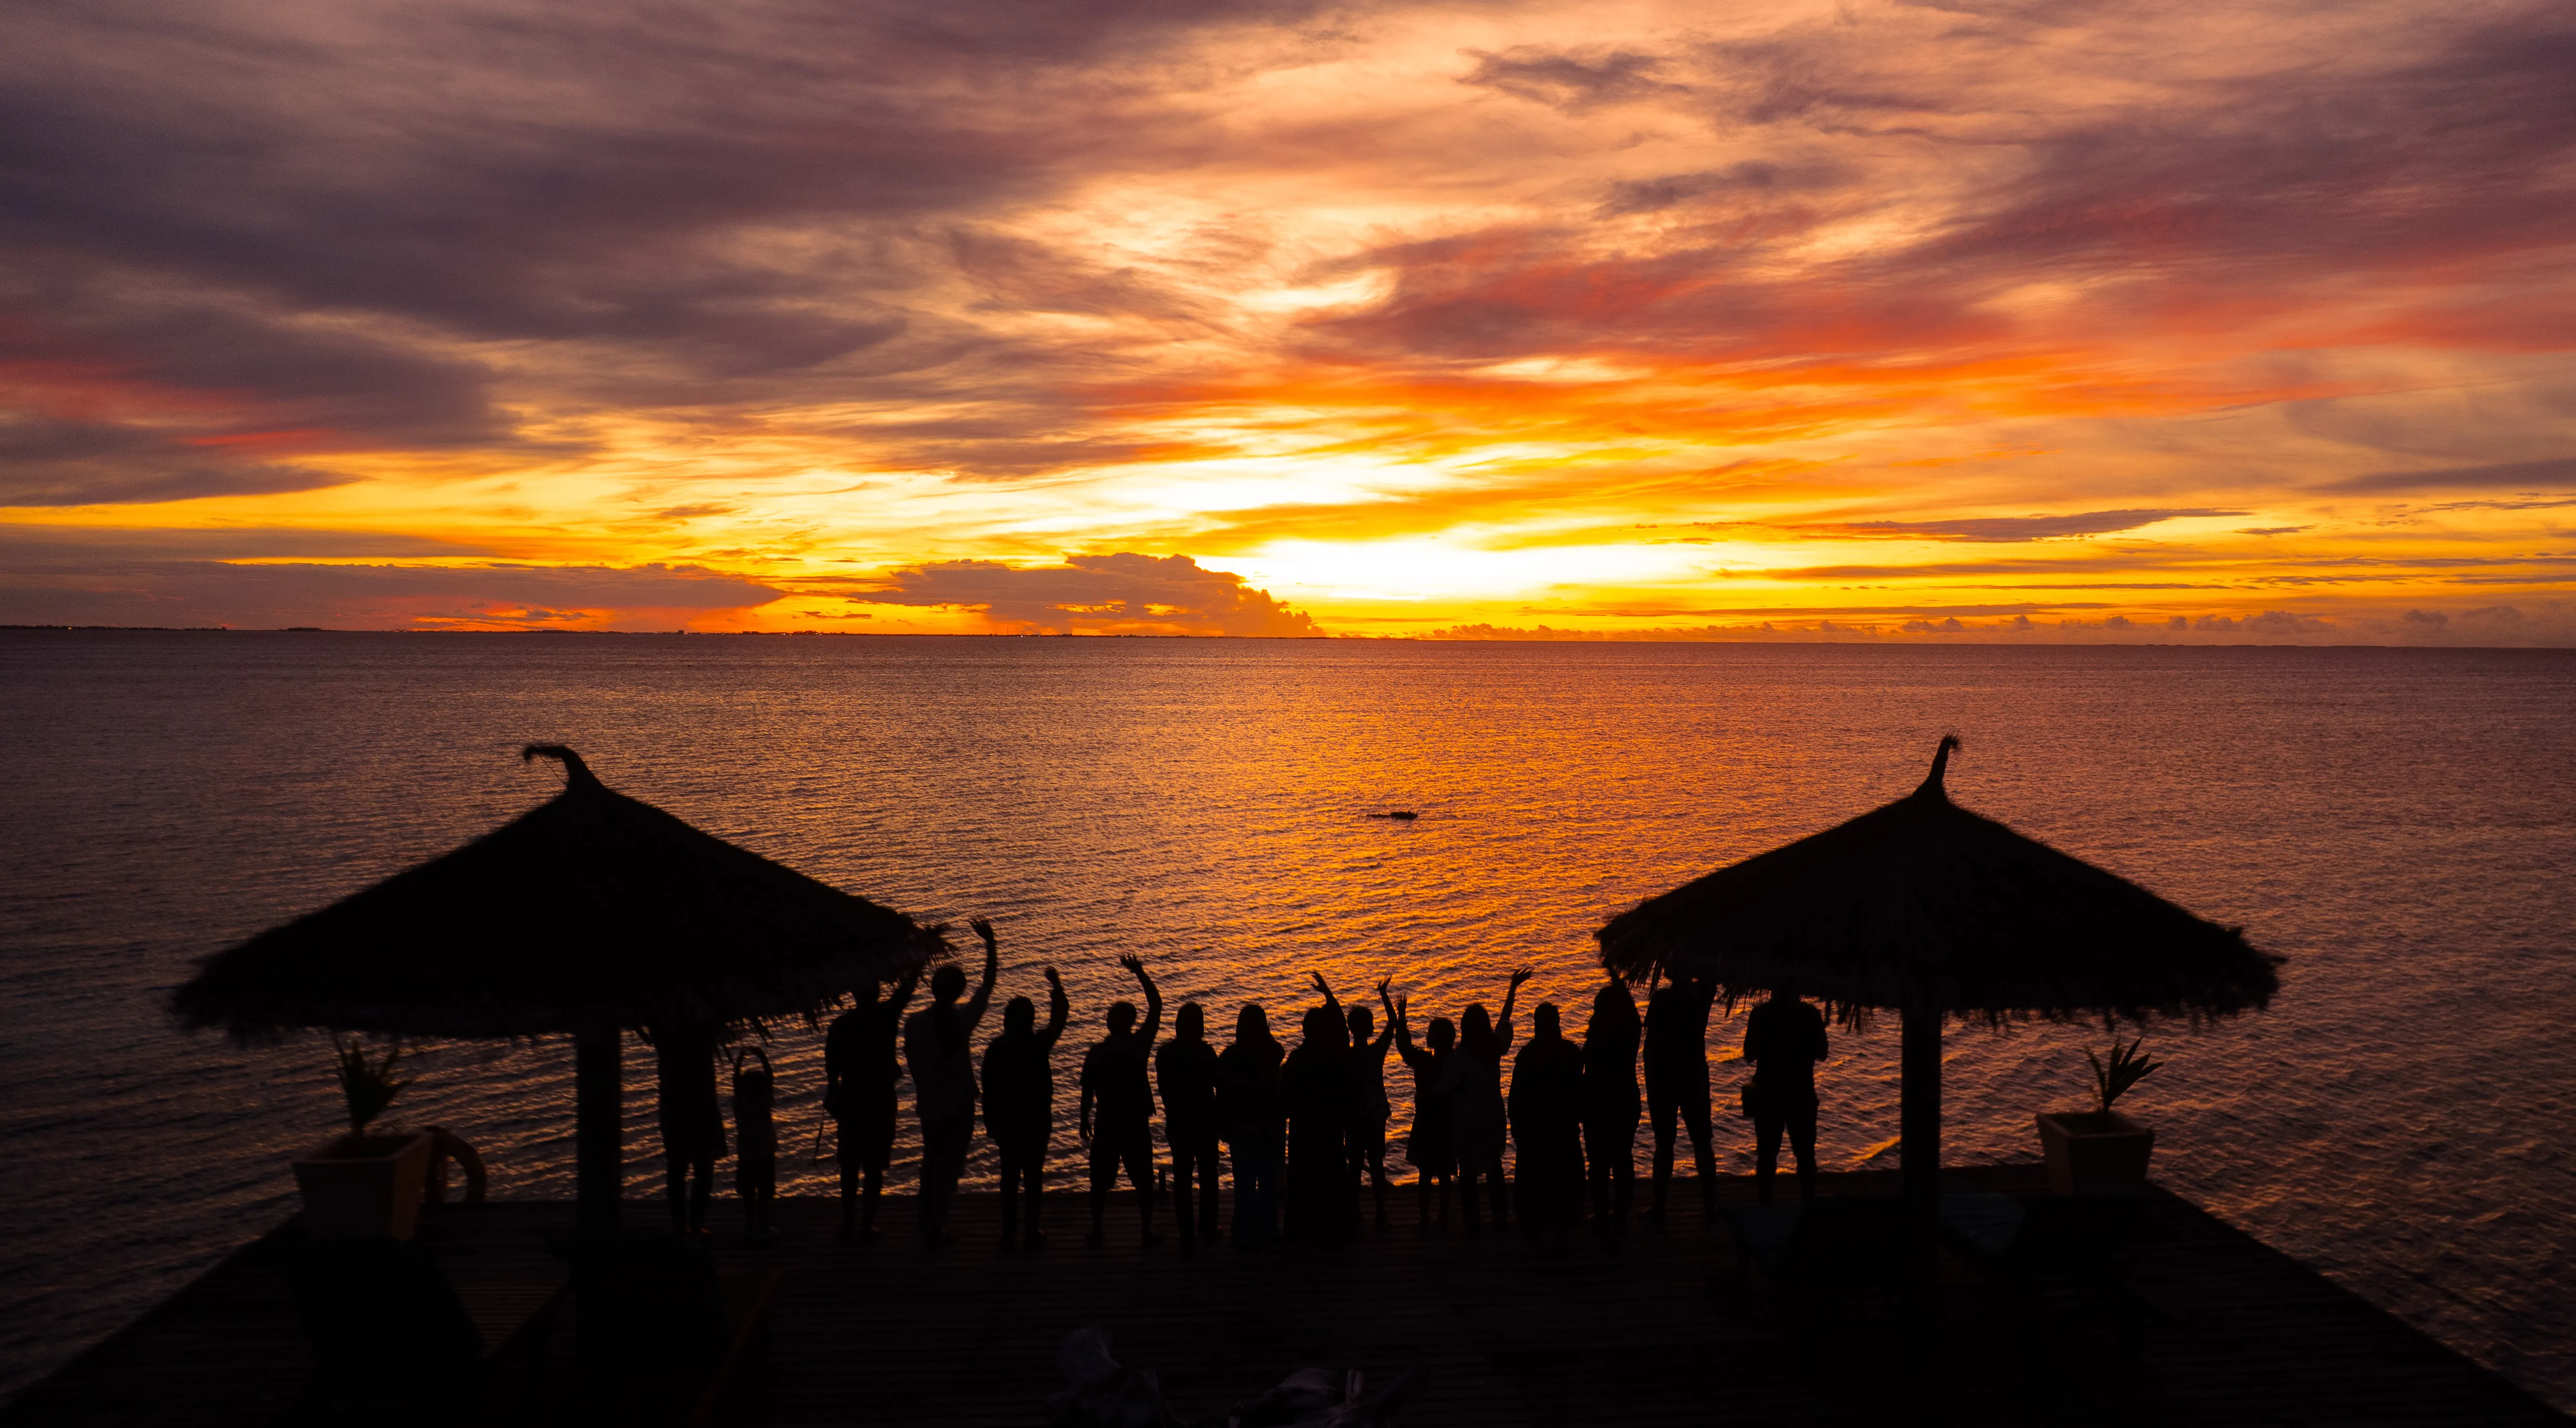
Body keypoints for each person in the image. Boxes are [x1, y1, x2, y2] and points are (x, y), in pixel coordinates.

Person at [904, 916, 999, 1246]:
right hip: (958, 1105)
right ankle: (936, 1226)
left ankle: (924, 1222)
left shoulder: (914, 1024)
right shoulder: (962, 1021)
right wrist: (990, 944)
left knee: (931, 1164)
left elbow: (912, 1062)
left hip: (930, 1104)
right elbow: (987, 985)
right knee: (950, 1168)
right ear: (958, 992)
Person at [824, 965, 919, 1241]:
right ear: (877, 993)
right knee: (874, 1166)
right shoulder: (886, 1016)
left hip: (852, 1098)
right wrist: (916, 965)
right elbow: (906, 992)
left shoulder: (841, 1025)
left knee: (850, 1164)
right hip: (879, 1099)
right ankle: (866, 1224)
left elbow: (831, 1065)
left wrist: (833, 1091)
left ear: (854, 994)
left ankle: (848, 1221)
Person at [980, 964, 1069, 1251]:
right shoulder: (1038, 1044)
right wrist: (1056, 987)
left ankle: (1009, 1231)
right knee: (1032, 1176)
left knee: (1009, 1177)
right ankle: (1030, 1231)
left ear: (1008, 1021)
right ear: (1030, 1021)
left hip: (1008, 1123)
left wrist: (991, 1123)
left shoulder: (996, 1049)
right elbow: (1059, 1019)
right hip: (1035, 1121)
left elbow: (989, 1090)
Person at [1078, 954, 1163, 1248]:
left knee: (1100, 1181)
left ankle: (1099, 1229)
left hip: (1108, 1122)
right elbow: (1156, 1007)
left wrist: (1083, 1119)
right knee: (1142, 1180)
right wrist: (1140, 973)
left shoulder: (1098, 1052)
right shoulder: (1139, 1046)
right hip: (1134, 1122)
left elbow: (1087, 1089)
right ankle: (1145, 1231)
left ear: (1110, 1023)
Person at [1448, 967, 1531, 1237]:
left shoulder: (1459, 1059)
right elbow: (1504, 1021)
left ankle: (1472, 1221)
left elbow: (1448, 1089)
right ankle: (1499, 1215)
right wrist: (1512, 989)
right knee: (1494, 1165)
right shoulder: (1494, 1049)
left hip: (1468, 1122)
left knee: (1469, 1174)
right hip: (1493, 1118)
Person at [1320, 975, 1398, 1232]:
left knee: (1354, 1166)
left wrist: (1328, 992)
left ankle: (1353, 1209)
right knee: (1376, 1164)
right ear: (1370, 1028)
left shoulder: (1346, 1056)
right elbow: (1393, 1024)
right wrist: (1384, 995)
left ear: (1353, 1031)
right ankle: (1381, 1210)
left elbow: (1340, 1022)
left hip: (1353, 1117)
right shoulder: (1376, 1054)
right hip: (1375, 1116)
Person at [1741, 985, 1830, 1204]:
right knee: (1806, 1155)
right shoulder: (1810, 1015)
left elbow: (1749, 1055)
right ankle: (1808, 1204)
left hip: (1768, 1094)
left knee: (1767, 1155)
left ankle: (1765, 1205)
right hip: (1801, 1094)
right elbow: (1823, 1054)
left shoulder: (1761, 1014)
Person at [1642, 967, 1718, 1225]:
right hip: (1694, 1074)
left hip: (1664, 1077)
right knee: (1702, 1142)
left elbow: (1650, 1043)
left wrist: (1650, 1078)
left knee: (1665, 1144)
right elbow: (1713, 976)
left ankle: (1660, 1209)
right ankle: (1710, 1207)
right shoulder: (1701, 996)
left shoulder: (1663, 999)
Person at [1507, 1001, 1586, 1236]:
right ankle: (1567, 1216)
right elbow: (1580, 1091)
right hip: (1564, 1127)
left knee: (1531, 1173)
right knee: (1567, 1172)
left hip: (1534, 1130)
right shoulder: (1572, 1054)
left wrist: (1516, 1125)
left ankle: (1532, 1217)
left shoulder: (1527, 1056)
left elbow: (1516, 1095)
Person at [1281, 1002, 1356, 1245]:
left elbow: (1285, 1098)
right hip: (1330, 1128)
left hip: (1303, 1130)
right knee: (1332, 1176)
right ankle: (1335, 1227)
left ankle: (1300, 1229)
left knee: (1302, 1179)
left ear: (1305, 1031)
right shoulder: (1335, 1058)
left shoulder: (1296, 1060)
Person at [1157, 1001, 1223, 1255]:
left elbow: (1164, 1089)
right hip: (1206, 1121)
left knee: (1182, 1178)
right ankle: (1207, 1228)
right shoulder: (1206, 1053)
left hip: (1178, 1122)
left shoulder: (1165, 1055)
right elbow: (1219, 1085)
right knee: (1209, 1176)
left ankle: (1186, 1233)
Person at [650, 1020, 726, 1237]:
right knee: (698, 1170)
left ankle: (684, 1226)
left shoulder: (666, 1037)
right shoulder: (702, 1035)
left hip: (677, 1109)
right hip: (698, 1108)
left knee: (680, 1170)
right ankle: (691, 1225)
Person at [1388, 991, 1455, 1234]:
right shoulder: (1456, 1062)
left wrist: (1402, 1018)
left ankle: (1426, 1218)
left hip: (1427, 1122)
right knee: (1446, 1174)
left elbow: (1405, 1048)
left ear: (1434, 1040)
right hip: (1448, 1123)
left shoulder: (1426, 1062)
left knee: (1426, 1174)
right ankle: (1443, 1217)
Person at [1217, 1003, 1284, 1246]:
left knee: (1244, 1184)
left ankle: (1244, 1232)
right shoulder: (1272, 1054)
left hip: (1241, 1129)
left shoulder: (1229, 1058)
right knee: (1267, 1183)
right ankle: (1269, 1230)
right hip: (1267, 1129)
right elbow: (1277, 1049)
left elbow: (1222, 1094)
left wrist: (1223, 1124)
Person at [1579, 974, 1642, 1230]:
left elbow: (1579, 1062)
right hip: (1626, 1100)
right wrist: (1618, 979)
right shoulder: (1629, 1035)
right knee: (1622, 1157)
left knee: (1599, 1161)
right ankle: (1622, 1211)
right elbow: (1633, 1013)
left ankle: (1602, 1210)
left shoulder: (1597, 1040)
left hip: (1598, 1104)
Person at [731, 1046, 777, 1239]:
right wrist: (762, 1057)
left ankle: (750, 1226)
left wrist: (739, 1061)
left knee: (749, 1193)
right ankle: (764, 1227)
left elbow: (736, 1084)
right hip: (765, 1154)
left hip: (747, 1155)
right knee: (765, 1193)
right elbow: (770, 1079)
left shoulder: (740, 1104)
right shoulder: (765, 1102)